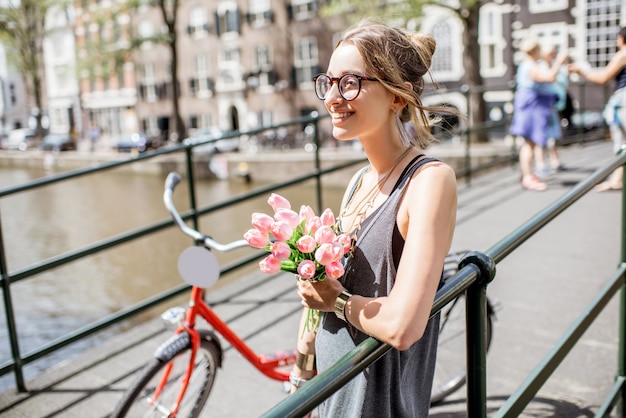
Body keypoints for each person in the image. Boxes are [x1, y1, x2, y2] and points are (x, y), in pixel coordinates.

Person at [289, 18, 458, 417]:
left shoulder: (429, 182)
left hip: (376, 406)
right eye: (327, 82)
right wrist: (303, 372)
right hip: (333, 395)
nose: (332, 96)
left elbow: (403, 326)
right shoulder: (359, 181)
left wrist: (337, 300)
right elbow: (322, 294)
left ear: (397, 97)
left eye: (350, 82)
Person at [570, 26, 626, 192]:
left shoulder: (623, 53)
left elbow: (602, 78)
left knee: (622, 141)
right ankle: (617, 179)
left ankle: (616, 180)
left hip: (623, 100)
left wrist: (582, 71)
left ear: (621, 39)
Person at [509, 38, 569, 191]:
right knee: (529, 142)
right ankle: (528, 177)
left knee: (530, 142)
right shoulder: (530, 66)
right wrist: (559, 62)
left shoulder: (528, 65)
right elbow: (549, 78)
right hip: (532, 107)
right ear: (535, 51)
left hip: (532, 106)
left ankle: (528, 173)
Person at [535, 45, 569, 176]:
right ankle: (540, 164)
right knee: (541, 136)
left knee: (553, 135)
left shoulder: (555, 67)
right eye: (551, 54)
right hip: (542, 106)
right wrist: (559, 64)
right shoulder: (539, 67)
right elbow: (550, 78)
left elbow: (562, 81)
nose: (553, 56)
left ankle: (555, 161)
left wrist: (562, 66)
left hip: (553, 105)